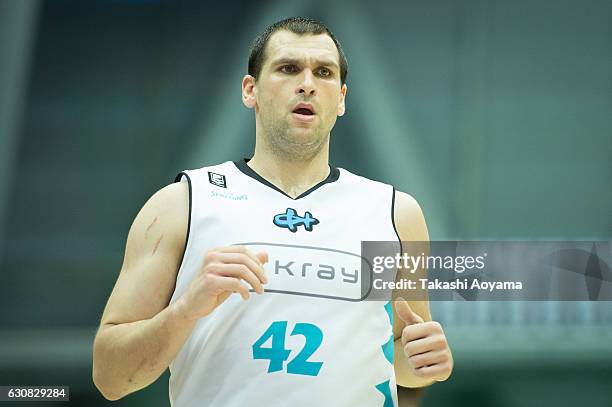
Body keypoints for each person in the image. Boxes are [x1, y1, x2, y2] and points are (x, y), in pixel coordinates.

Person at [92, 17, 453, 406]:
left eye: (324, 72)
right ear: (251, 90)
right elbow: (111, 377)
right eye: (288, 68)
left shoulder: (396, 213)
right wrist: (185, 310)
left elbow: (401, 357)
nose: (308, 83)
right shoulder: (181, 203)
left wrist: (424, 363)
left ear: (343, 98)